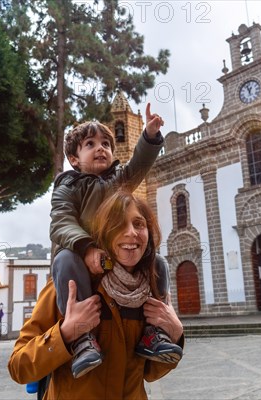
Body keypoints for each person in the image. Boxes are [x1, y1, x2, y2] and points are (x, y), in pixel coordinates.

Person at [9, 191, 184, 400]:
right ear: (103, 233)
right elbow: (19, 367)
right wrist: (64, 334)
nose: (131, 233)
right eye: (118, 224)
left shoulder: (149, 290)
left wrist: (176, 334)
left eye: (139, 224)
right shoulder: (69, 287)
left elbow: (150, 373)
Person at [50, 103, 182, 379]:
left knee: (157, 262)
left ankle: (154, 333)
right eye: (90, 144)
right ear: (74, 159)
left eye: (106, 144)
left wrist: (149, 136)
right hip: (79, 254)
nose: (101, 148)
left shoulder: (118, 181)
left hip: (113, 255)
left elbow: (139, 165)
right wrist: (85, 247)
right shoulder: (67, 186)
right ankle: (81, 338)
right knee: (64, 259)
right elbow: (61, 222)